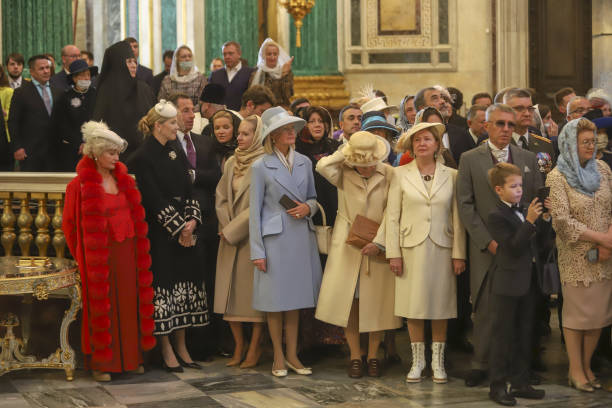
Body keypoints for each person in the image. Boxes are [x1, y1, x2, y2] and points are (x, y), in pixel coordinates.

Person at [63, 121, 156, 381]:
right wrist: (83, 258)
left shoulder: (125, 181)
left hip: (127, 254)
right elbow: (69, 226)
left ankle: (131, 359)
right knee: (103, 309)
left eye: (117, 153)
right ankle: (102, 364)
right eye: (110, 153)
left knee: (128, 305)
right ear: (95, 153)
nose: (116, 158)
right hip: (99, 258)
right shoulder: (78, 187)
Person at [457, 103, 542, 387]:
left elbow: (532, 201)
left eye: (510, 124)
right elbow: (465, 205)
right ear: (487, 126)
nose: (506, 129)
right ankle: (482, 363)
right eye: (500, 124)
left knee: (519, 309)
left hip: (518, 246)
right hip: (487, 246)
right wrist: (487, 241)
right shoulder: (470, 158)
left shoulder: (527, 157)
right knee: (485, 307)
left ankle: (515, 368)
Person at [128, 100, 208, 372]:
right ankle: (166, 349)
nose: (178, 126)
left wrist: (192, 221)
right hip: (161, 234)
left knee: (184, 289)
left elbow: (190, 187)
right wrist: (178, 228)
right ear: (158, 126)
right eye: (173, 123)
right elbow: (152, 198)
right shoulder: (142, 156)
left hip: (185, 228)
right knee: (165, 289)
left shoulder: (176, 148)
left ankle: (182, 346)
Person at [315, 130, 401, 378]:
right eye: (360, 164)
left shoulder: (390, 174)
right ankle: (355, 356)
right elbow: (322, 165)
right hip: (347, 245)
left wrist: (380, 242)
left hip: (377, 244)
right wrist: (347, 152)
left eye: (370, 163)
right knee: (349, 303)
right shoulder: (343, 172)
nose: (365, 169)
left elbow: (392, 212)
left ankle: (373, 355)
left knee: (377, 303)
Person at [386, 122, 466, 383]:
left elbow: (457, 217)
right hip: (410, 248)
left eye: (428, 139)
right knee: (414, 305)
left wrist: (459, 253)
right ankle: (418, 362)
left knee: (441, 305)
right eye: (417, 139)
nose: (422, 143)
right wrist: (393, 253)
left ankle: (438, 361)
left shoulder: (451, 175)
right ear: (411, 145)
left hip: (442, 248)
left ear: (437, 144)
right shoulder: (399, 174)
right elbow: (393, 218)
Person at [249, 106, 322, 377]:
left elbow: (313, 199)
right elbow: (254, 211)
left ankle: (293, 354)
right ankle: (278, 355)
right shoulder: (260, 166)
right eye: (286, 129)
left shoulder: (305, 162)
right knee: (275, 301)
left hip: (300, 237)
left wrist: (308, 209)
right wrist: (257, 251)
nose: (292, 132)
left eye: (292, 128)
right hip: (274, 242)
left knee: (295, 300)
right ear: (274, 135)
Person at [546, 118, 612, 392]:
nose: (591, 146)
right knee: (577, 316)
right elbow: (560, 220)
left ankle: (586, 367)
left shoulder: (603, 168)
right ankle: (575, 370)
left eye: (593, 141)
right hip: (576, 255)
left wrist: (609, 240)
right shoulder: (557, 176)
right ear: (569, 144)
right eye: (585, 142)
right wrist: (601, 238)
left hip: (606, 255)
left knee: (599, 316)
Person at [487, 163, 551, 405]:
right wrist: (529, 221)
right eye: (513, 186)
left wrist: (544, 218)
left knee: (525, 333)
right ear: (499, 189)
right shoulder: (496, 215)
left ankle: (521, 381)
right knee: (503, 336)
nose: (519, 190)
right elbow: (513, 247)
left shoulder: (525, 210)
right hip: (507, 282)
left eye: (521, 185)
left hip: (528, 280)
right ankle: (498, 385)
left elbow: (540, 243)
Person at [167, 92, 223, 361]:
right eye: (185, 110)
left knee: (208, 282)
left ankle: (207, 343)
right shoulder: (165, 144)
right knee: (185, 283)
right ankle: (184, 342)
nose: (191, 115)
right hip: (179, 224)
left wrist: (193, 175)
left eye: (193, 110)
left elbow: (216, 176)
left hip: (207, 222)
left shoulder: (204, 142)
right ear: (173, 114)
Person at [215, 115, 266, 368]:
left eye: (246, 134)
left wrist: (234, 229)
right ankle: (239, 345)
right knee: (230, 299)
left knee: (252, 301)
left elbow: (261, 204)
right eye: (240, 133)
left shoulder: (264, 163)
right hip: (228, 237)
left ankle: (255, 347)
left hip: (250, 238)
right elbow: (221, 196)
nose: (240, 137)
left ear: (256, 136)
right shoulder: (232, 162)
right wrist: (225, 225)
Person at [93, 40, 156, 160]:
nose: (134, 65)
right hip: (114, 157)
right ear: (119, 63)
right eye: (129, 61)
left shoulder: (143, 88)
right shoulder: (106, 91)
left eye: (134, 61)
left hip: (144, 155)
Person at [8, 55, 62, 171]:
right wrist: (17, 147)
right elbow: (13, 122)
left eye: (48, 68)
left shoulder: (58, 90)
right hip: (31, 151)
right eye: (41, 68)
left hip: (55, 150)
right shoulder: (21, 92)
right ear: (32, 72)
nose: (46, 71)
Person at [296, 106, 341, 227]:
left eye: (321, 121)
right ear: (304, 125)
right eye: (312, 121)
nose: (318, 125)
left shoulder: (335, 147)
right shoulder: (296, 151)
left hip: (336, 209)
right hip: (310, 213)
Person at [52, 59, 98, 171]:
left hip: (95, 147)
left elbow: (100, 119)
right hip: (71, 149)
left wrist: (89, 143)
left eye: (88, 75)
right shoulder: (64, 97)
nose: (87, 78)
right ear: (74, 78)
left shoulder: (97, 94)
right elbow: (61, 125)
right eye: (82, 75)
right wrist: (79, 144)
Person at [503, 88, 556, 170]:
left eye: (530, 109)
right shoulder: (499, 144)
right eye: (519, 109)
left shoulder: (545, 145)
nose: (527, 114)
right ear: (505, 111)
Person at [208, 41, 256, 111]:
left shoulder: (250, 73)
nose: (227, 57)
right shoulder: (215, 75)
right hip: (219, 117)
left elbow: (253, 98)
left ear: (239, 54)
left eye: (230, 53)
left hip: (242, 116)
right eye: (224, 54)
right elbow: (209, 98)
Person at [158, 45, 207, 110]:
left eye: (189, 56)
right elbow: (162, 101)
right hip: (172, 116)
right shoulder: (168, 80)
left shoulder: (200, 78)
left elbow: (203, 102)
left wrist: (187, 111)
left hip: (195, 115)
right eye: (183, 57)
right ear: (177, 60)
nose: (187, 59)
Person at [249, 38, 294, 107]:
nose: (272, 57)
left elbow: (287, 95)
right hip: (262, 109)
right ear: (263, 55)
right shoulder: (257, 72)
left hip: (281, 108)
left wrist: (284, 74)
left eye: (275, 54)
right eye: (269, 54)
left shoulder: (285, 70)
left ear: (278, 55)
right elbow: (252, 94)